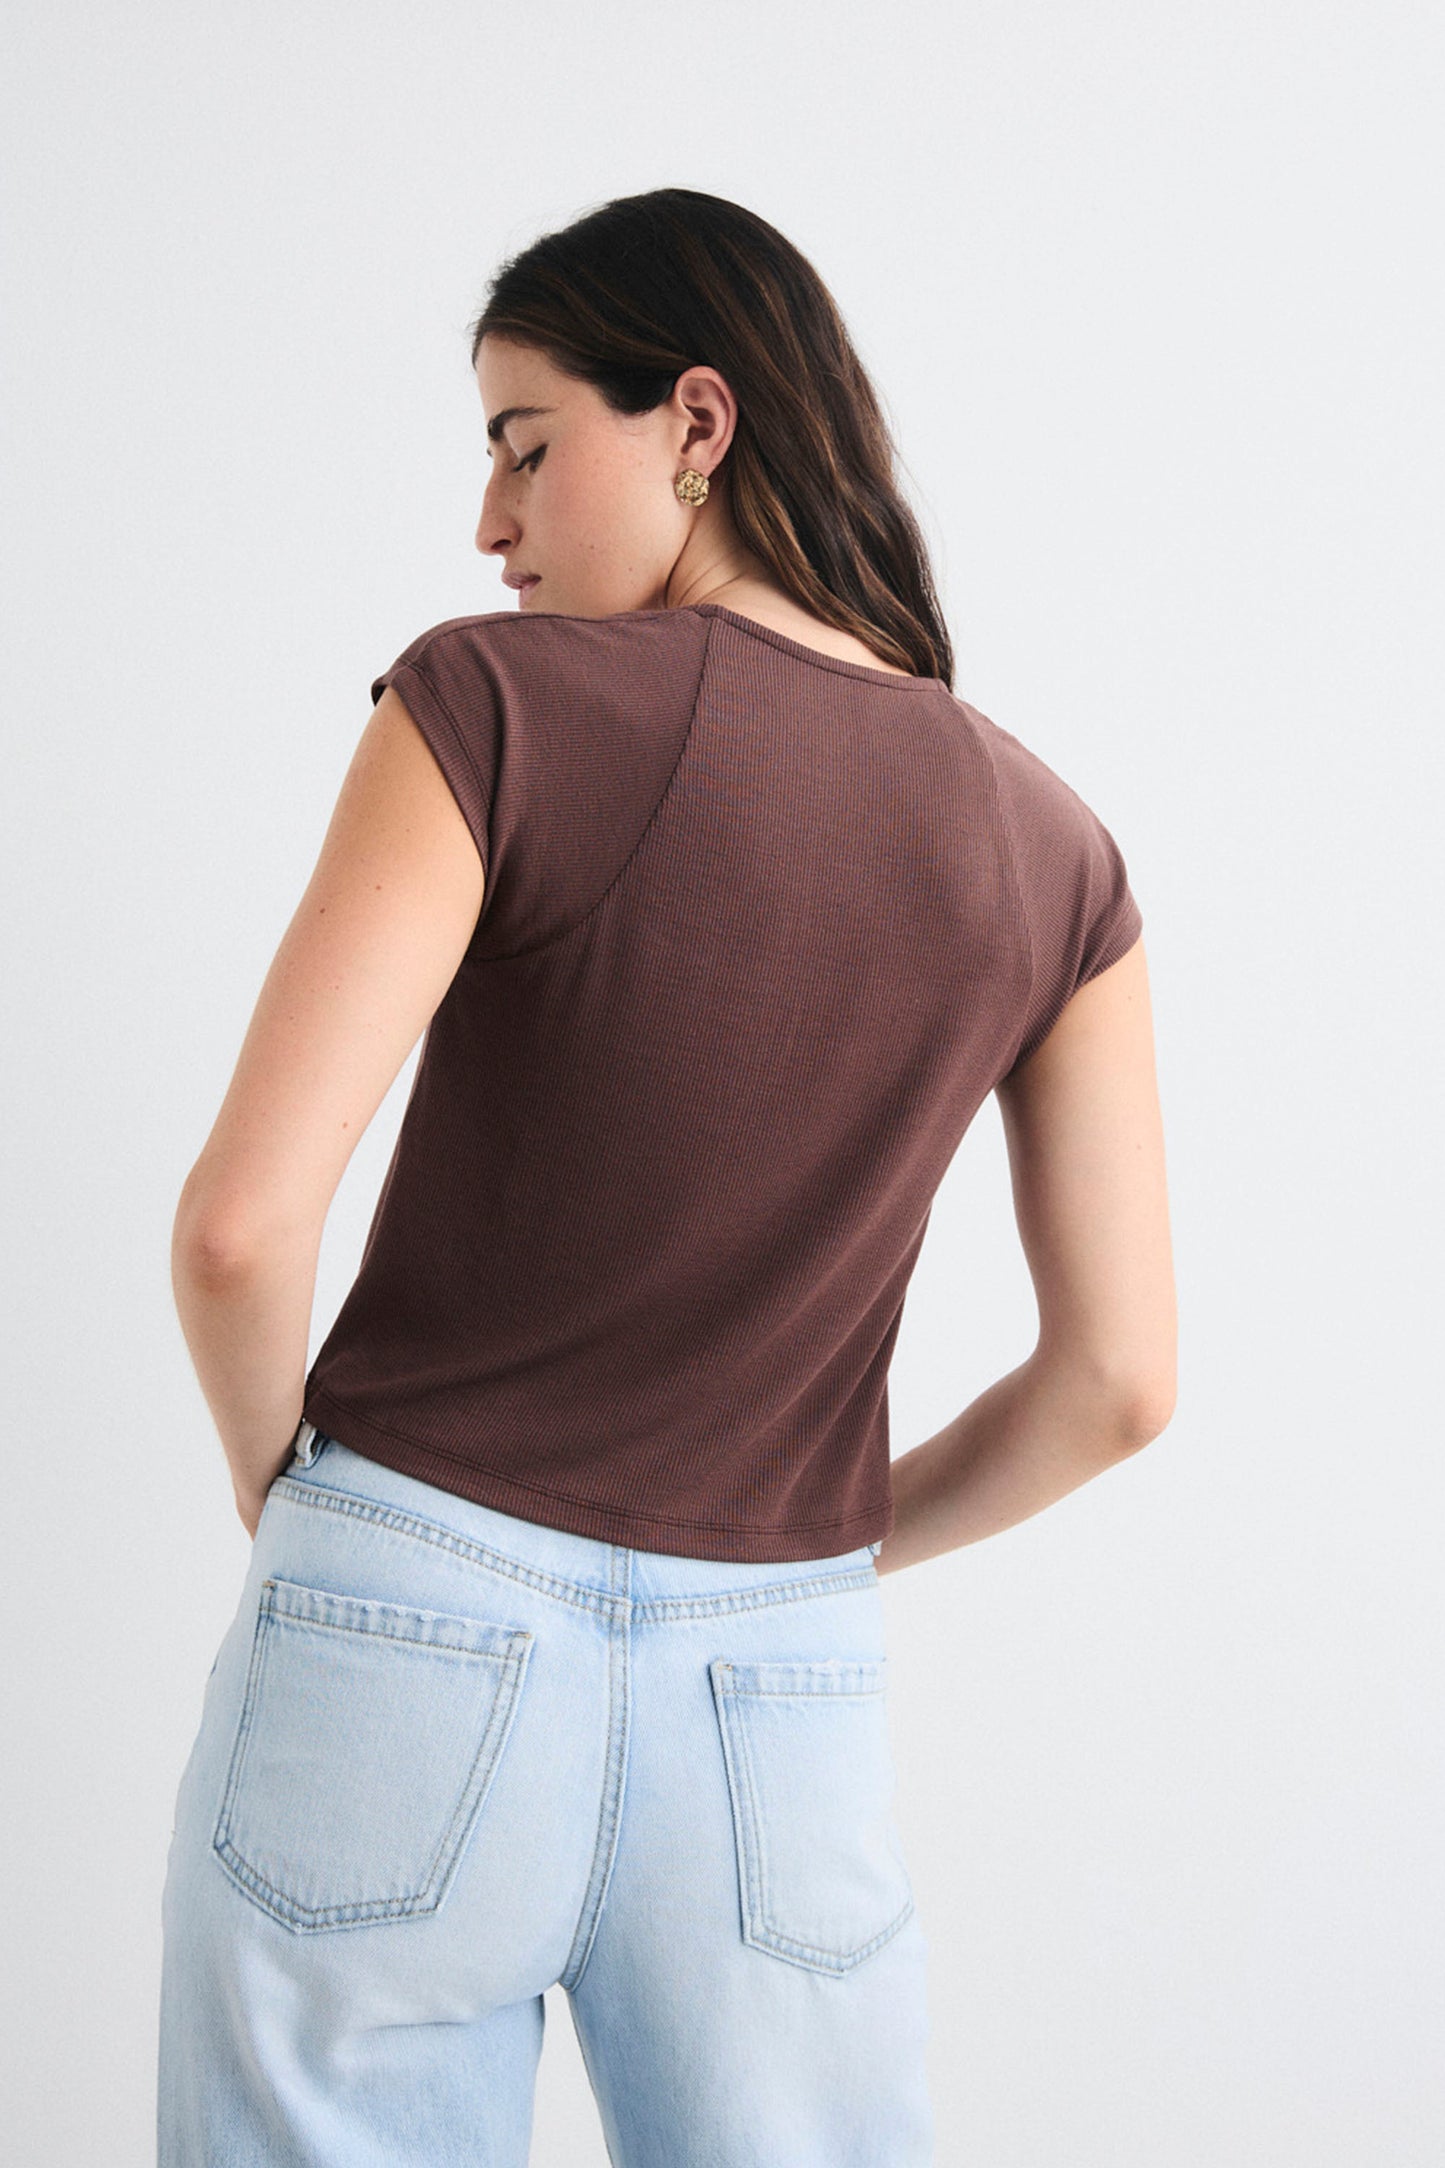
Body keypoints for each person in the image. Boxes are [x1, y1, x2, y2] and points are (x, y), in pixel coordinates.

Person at [159, 187, 1175, 2166]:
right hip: (777, 1693)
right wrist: (811, 1560)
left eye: (526, 442)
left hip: (405, 1607)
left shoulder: (492, 704)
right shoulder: (1061, 855)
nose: (490, 521)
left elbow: (237, 1229)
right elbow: (1121, 1384)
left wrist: (310, 1517)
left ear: (696, 420)